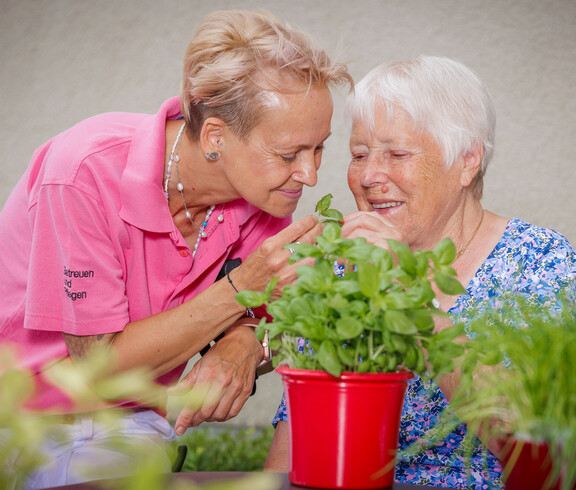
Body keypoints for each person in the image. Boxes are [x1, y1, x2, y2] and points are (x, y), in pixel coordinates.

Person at [0, 9, 352, 488]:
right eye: (290, 154)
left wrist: (245, 343)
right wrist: (241, 288)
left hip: (131, 423)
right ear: (215, 136)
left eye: (320, 149)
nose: (310, 176)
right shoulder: (83, 173)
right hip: (23, 419)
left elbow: (282, 326)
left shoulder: (265, 201)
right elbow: (99, 371)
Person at [264, 56, 576, 488]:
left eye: (397, 154)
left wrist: (410, 299)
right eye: (359, 154)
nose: (370, 176)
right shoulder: (341, 271)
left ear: (467, 161)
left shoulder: (540, 261)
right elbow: (295, 454)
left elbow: (538, 444)